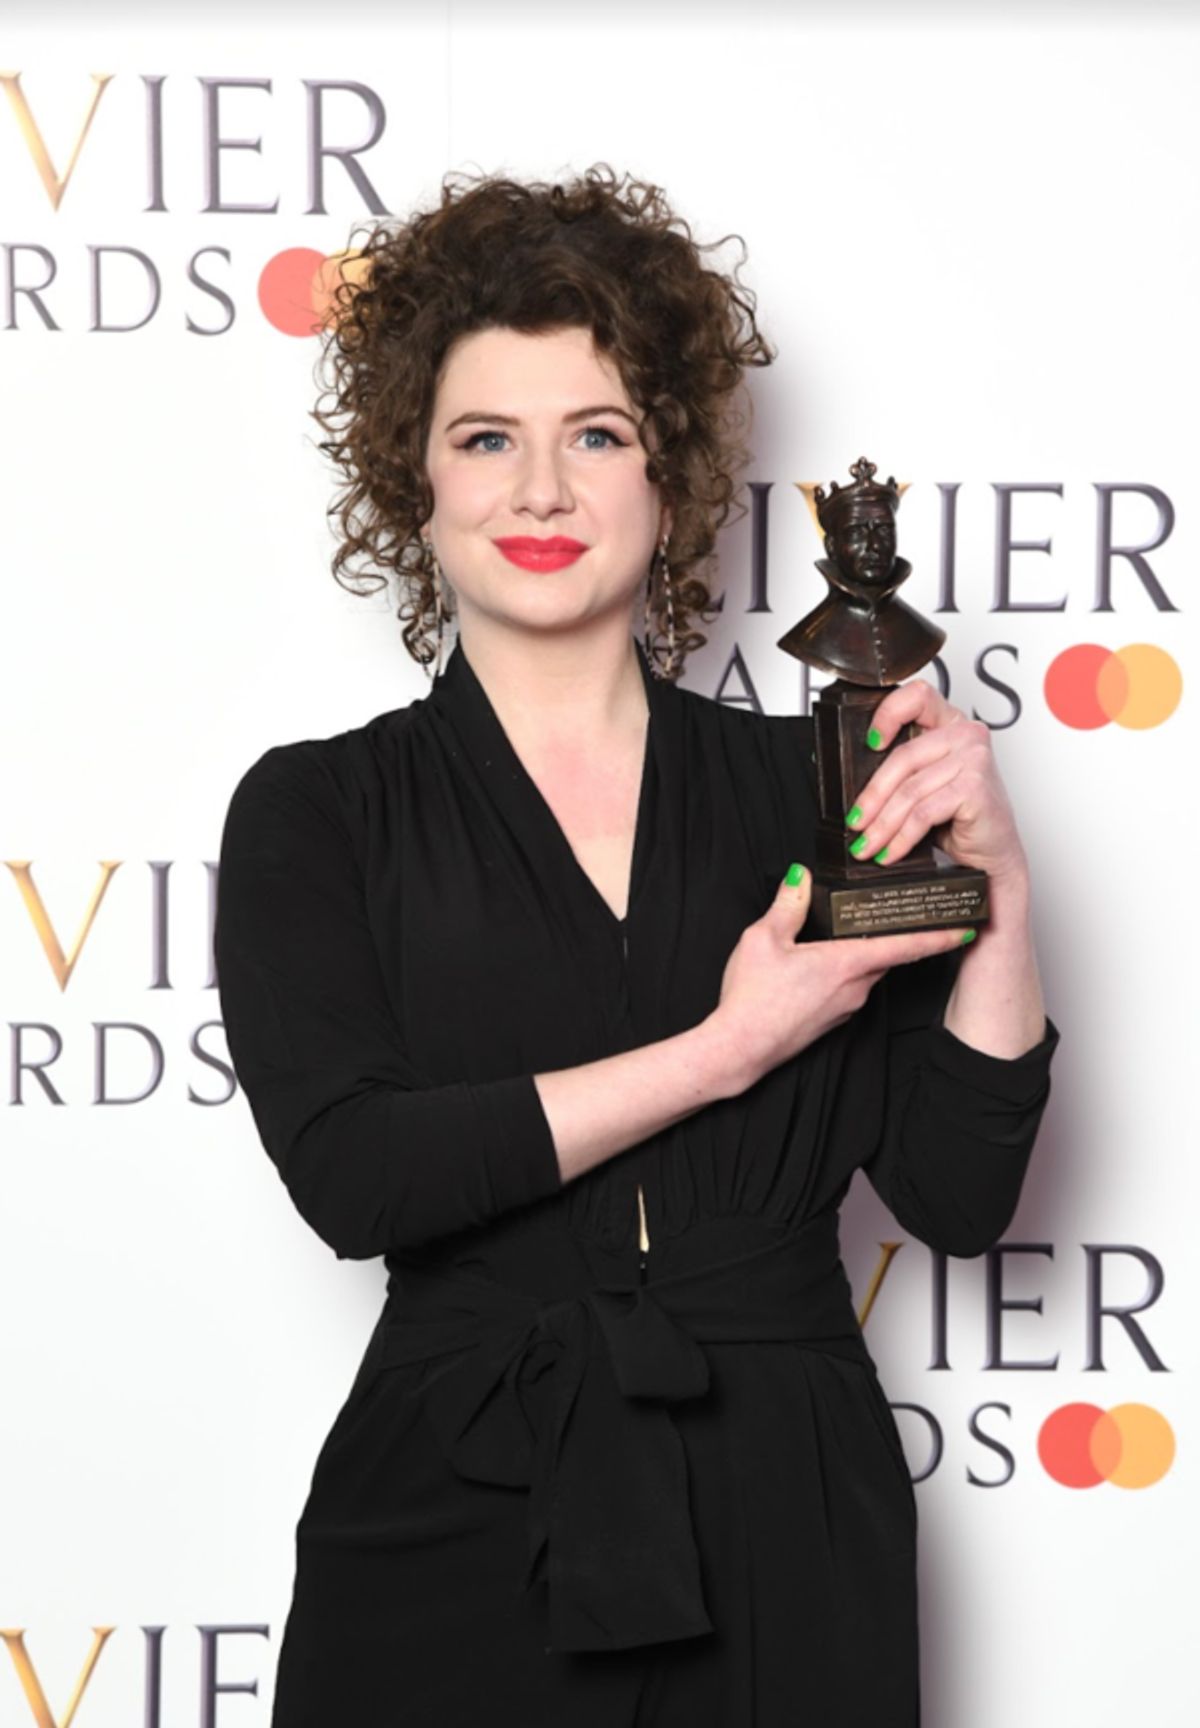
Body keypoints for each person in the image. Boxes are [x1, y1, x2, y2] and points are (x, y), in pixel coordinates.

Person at [214, 164, 1061, 1727]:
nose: (541, 491)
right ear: (416, 484)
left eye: (594, 435)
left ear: (667, 483)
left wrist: (999, 896)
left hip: (787, 1508)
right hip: (461, 1497)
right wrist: (724, 1049)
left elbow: (958, 1193)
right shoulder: (319, 810)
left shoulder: (804, 783)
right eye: (487, 439)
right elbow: (358, 1176)